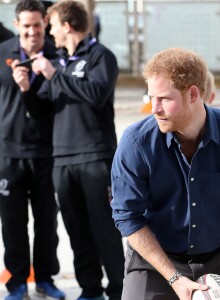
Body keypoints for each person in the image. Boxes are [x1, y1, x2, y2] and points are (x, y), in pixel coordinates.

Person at [111, 48, 220, 300]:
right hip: (154, 261)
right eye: (150, 97)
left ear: (193, 94)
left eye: (164, 99)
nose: (153, 108)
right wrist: (175, 279)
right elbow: (127, 217)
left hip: (219, 257)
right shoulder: (136, 143)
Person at [22, 1, 125, 299]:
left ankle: (118, 289)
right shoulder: (60, 62)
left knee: (105, 229)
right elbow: (42, 110)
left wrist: (54, 74)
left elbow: (95, 94)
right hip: (61, 159)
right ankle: (89, 288)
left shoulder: (100, 56)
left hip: (96, 156)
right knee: (77, 230)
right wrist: (27, 89)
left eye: (51, 25)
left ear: (66, 25)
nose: (49, 32)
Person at [0, 1, 65, 300]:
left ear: (45, 25)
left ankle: (45, 279)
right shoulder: (2, 54)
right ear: (16, 25)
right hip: (8, 154)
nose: (32, 31)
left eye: (37, 25)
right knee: (12, 223)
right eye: (26, 26)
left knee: (46, 222)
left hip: (46, 152)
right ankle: (15, 283)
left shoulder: (57, 56)